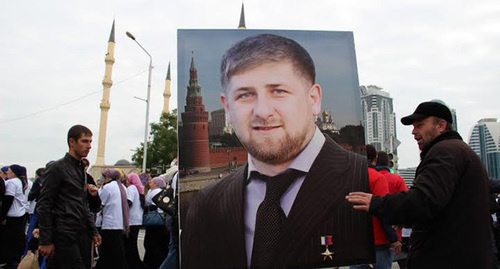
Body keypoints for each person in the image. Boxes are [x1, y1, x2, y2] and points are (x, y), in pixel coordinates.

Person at [182, 33, 372, 269]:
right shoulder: (206, 203)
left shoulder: (363, 182)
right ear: (227, 109)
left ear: (313, 99)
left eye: (279, 91)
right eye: (245, 95)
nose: (262, 111)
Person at [346, 101, 495, 268]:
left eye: (420, 125)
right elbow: (446, 206)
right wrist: (409, 219)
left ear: (441, 125)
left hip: (448, 258)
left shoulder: (444, 152)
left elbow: (424, 200)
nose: (414, 132)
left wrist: (376, 203)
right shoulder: (461, 151)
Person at [37, 124, 101, 269]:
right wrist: (45, 240)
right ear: (72, 142)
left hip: (80, 233)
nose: (89, 146)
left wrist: (92, 230)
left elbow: (82, 204)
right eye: (84, 141)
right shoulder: (57, 168)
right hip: (63, 233)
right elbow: (45, 203)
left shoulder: (80, 170)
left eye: (90, 141)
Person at [351, 145, 399, 269]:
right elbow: (384, 210)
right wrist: (394, 239)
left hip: (355, 242)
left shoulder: (349, 178)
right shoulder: (377, 178)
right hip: (379, 241)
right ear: (375, 158)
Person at [95, 168, 129, 269]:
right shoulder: (122, 187)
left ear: (108, 177)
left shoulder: (108, 187)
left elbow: (99, 203)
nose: (103, 179)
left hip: (109, 223)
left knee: (107, 250)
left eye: (104, 177)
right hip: (119, 223)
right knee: (117, 250)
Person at [0, 164, 28, 269]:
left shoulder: (11, 182)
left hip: (12, 214)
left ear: (14, 172)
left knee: (8, 240)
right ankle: (15, 259)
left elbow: (8, 199)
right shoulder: (21, 182)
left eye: (9, 170)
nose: (7, 172)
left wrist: (2, 216)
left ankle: (10, 261)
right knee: (17, 238)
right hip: (20, 213)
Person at [144, 176, 170, 269]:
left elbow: (151, 204)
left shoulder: (156, 192)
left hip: (156, 221)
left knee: (153, 244)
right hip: (159, 221)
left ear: (156, 184)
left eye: (152, 182)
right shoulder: (155, 191)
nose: (150, 184)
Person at [125, 172, 147, 269]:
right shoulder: (139, 190)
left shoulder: (131, 188)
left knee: (130, 243)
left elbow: (129, 202)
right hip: (138, 219)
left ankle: (134, 264)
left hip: (132, 220)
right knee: (133, 243)